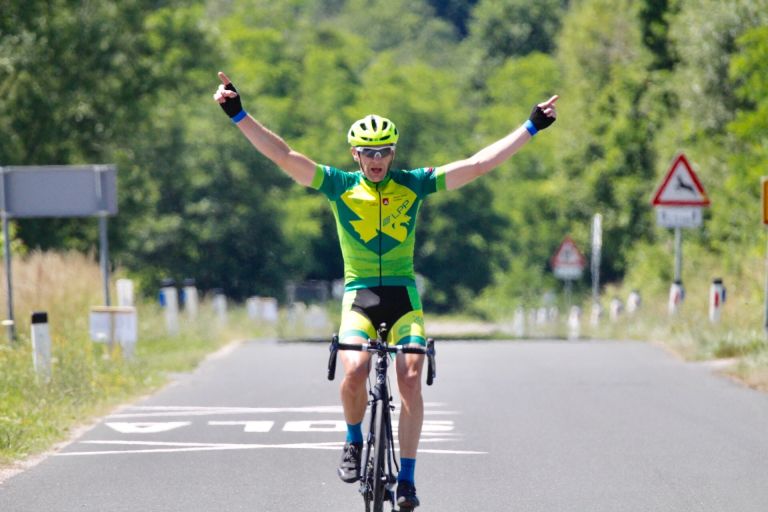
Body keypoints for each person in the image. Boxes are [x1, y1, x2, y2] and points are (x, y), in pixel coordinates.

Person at [213, 71, 557, 510]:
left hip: (402, 297)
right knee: (354, 370)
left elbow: (477, 165)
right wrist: (238, 114)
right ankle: (353, 440)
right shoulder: (339, 186)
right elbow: (283, 155)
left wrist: (530, 127)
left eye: (384, 151)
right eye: (368, 152)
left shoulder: (414, 184)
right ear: (355, 154)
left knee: (410, 378)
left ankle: (407, 481)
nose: (376, 159)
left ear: (393, 153)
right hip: (359, 296)